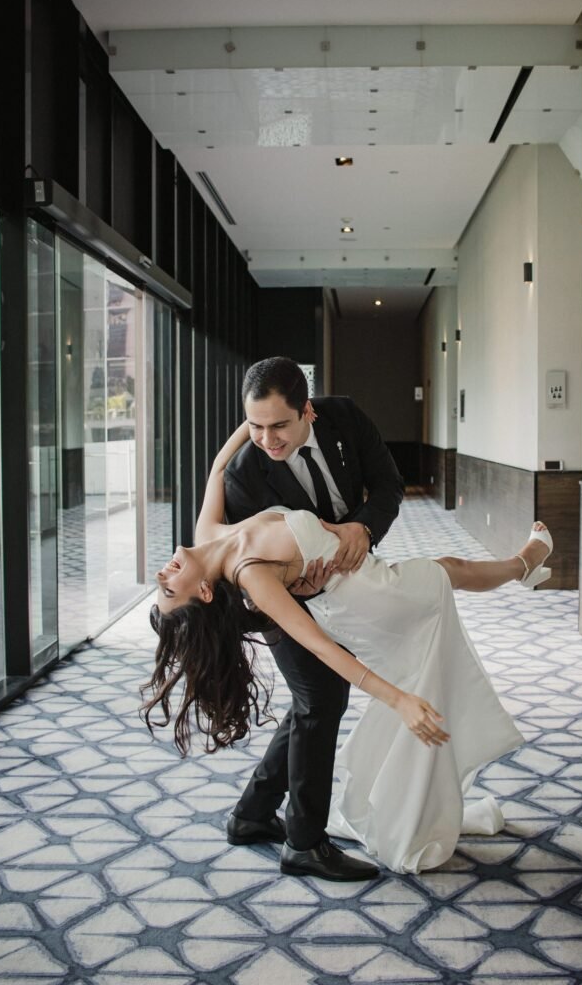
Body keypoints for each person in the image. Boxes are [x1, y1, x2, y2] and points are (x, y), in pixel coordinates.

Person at [144, 417, 554, 875]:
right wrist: (398, 700)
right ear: (203, 592)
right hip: (368, 598)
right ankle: (524, 563)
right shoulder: (252, 575)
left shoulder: (209, 534)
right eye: (168, 589)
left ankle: (523, 566)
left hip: (364, 577)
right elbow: (322, 648)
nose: (162, 574)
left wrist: (253, 421)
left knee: (447, 571)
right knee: (447, 572)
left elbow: (219, 467)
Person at [191, 357, 405, 882]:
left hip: (344, 577)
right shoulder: (245, 474)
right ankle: (304, 843)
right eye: (255, 426)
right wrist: (299, 583)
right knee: (321, 697)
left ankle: (251, 814)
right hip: (272, 595)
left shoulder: (344, 418)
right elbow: (257, 569)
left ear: (307, 410)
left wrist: (362, 529)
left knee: (317, 698)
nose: (267, 440)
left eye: (279, 425)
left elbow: (388, 487)